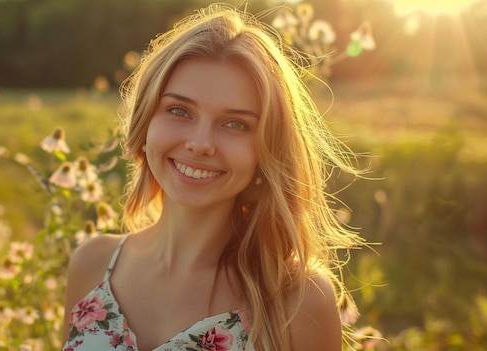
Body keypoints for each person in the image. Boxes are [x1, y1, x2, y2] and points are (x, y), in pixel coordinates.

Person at [62, 3, 365, 351]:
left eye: (235, 124)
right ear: (146, 123)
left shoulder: (295, 300)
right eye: (179, 110)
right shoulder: (93, 265)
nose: (200, 144)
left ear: (267, 150)